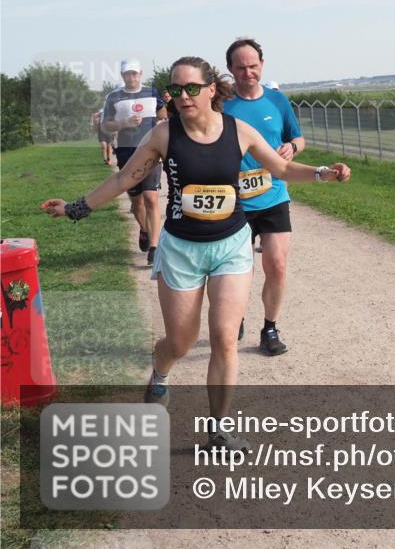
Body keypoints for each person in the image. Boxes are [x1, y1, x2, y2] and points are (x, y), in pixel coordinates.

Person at [41, 56, 351, 451]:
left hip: (231, 246)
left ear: (211, 90)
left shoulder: (238, 131)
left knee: (224, 339)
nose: (182, 96)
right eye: (175, 89)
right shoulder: (163, 135)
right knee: (180, 343)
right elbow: (123, 178)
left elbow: (282, 170)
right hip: (182, 249)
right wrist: (75, 207)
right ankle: (160, 370)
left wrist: (325, 172)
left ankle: (218, 431)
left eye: (191, 88)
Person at [223, 38, 303, 356]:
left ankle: (270, 328)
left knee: (277, 265)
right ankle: (236, 314)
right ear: (230, 69)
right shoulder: (221, 104)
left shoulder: (277, 100)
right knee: (241, 270)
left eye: (253, 66)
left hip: (273, 195)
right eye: (240, 67)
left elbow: (296, 136)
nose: (248, 72)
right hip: (234, 202)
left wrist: (293, 147)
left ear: (262, 65)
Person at [102, 60, 167, 265]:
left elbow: (162, 113)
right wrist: (124, 123)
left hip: (151, 151)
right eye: (127, 74)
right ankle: (145, 230)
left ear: (140, 73)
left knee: (151, 198)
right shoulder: (113, 97)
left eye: (135, 73)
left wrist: (160, 122)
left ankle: (155, 248)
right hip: (126, 152)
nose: (131, 77)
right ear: (122, 76)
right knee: (137, 201)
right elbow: (105, 125)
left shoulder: (152, 92)